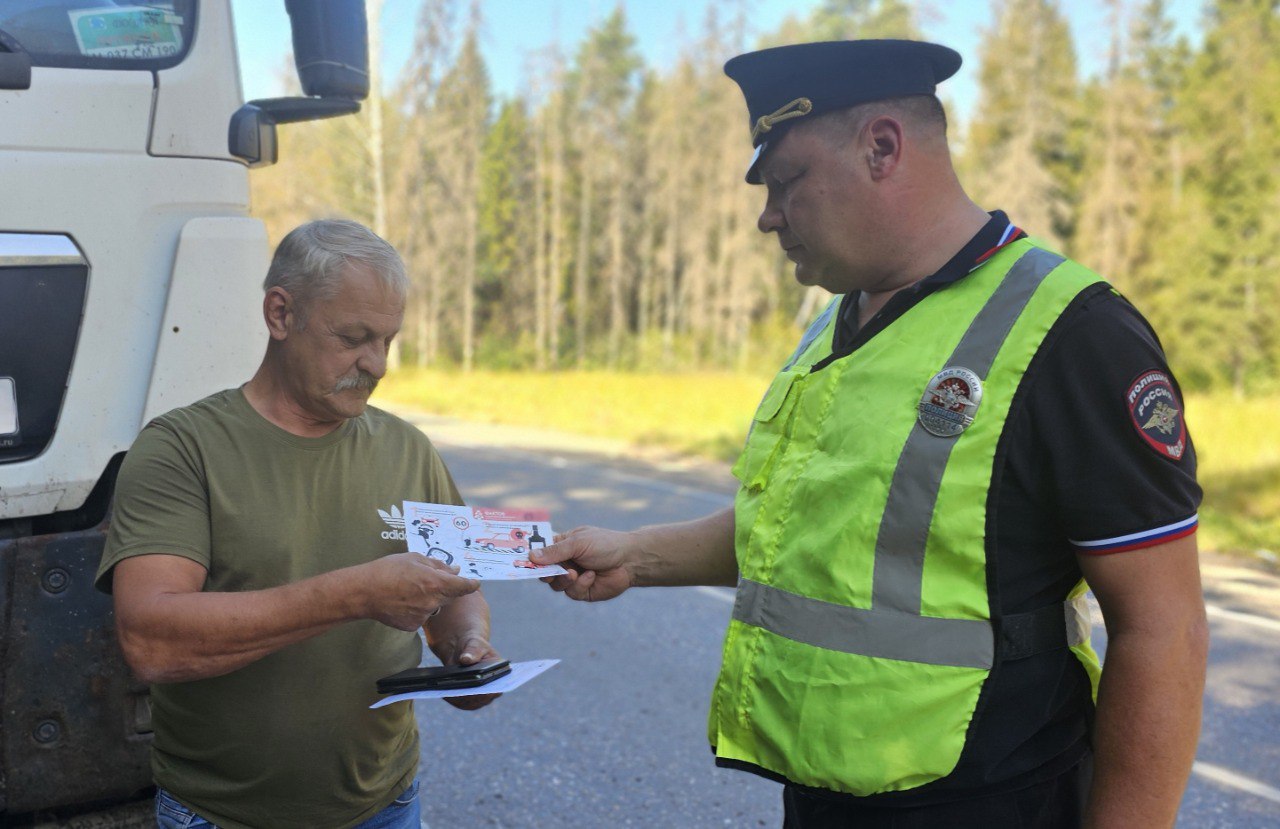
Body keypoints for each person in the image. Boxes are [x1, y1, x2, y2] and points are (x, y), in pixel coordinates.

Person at [532, 40, 1208, 828]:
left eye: (787, 181)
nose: (767, 216)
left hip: (990, 799)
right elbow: (807, 525)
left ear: (882, 147)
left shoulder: (1074, 335)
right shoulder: (838, 319)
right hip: (826, 796)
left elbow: (1163, 630)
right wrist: (635, 554)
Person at [95, 219, 499, 829]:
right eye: (354, 338)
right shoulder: (181, 449)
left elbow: (454, 591)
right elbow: (153, 642)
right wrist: (355, 594)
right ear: (280, 315)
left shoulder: (409, 448)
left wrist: (467, 650)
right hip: (222, 815)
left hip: (386, 804)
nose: (377, 364)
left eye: (388, 340)